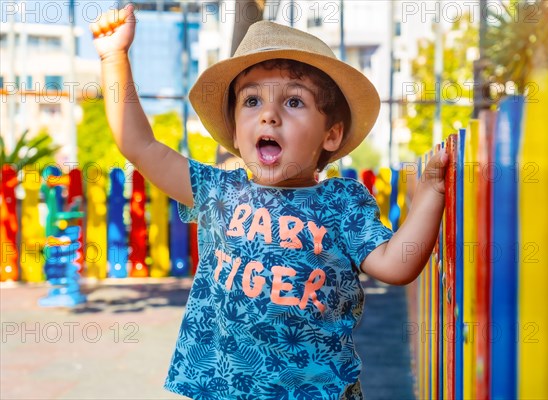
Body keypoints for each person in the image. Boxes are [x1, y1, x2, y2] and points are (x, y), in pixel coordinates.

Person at [91, 4, 448, 399]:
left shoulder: (340, 203)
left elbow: (396, 265)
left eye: (294, 102)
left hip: (318, 392)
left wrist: (430, 192)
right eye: (252, 101)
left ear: (331, 135)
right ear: (235, 127)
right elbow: (139, 145)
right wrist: (114, 58)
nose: (269, 116)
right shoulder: (218, 192)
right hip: (226, 387)